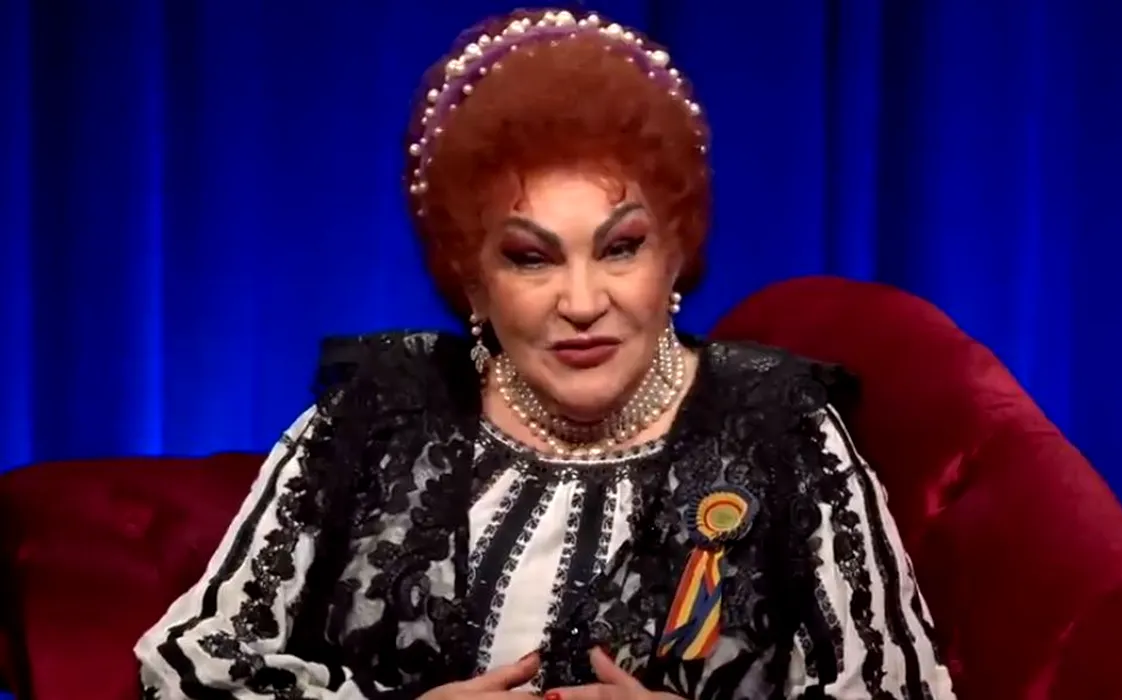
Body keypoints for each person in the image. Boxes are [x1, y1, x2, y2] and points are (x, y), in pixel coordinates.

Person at [135, 8, 955, 699]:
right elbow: (188, 665)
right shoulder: (374, 412)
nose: (582, 301)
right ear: (472, 281)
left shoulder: (782, 432)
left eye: (620, 247)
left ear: (676, 254)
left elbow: (900, 689)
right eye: (531, 258)